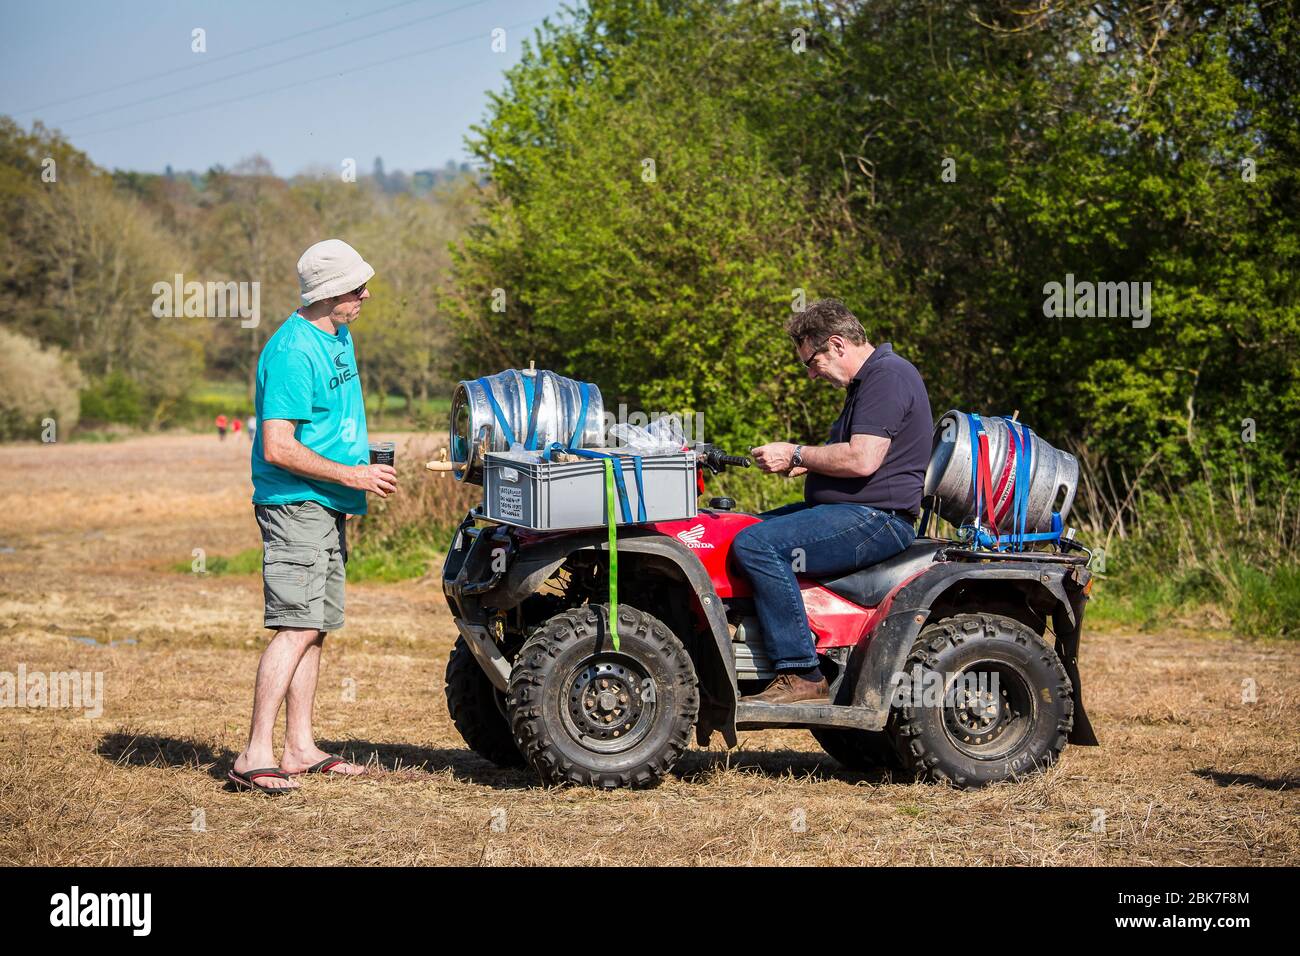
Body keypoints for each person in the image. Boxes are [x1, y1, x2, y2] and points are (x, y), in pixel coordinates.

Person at [229, 239, 397, 795]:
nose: (365, 294)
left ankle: (299, 748)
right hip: (294, 503)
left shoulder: (338, 335)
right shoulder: (292, 352)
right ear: (328, 293)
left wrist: (357, 467)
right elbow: (277, 446)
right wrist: (352, 475)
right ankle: (254, 754)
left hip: (327, 504)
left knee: (315, 628)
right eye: (356, 288)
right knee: (295, 624)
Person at [734, 299, 933, 704]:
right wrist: (809, 466)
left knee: (756, 545)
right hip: (852, 511)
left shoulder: (888, 376)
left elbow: (863, 459)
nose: (811, 374)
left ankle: (801, 672)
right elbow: (859, 454)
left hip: (878, 519)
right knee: (739, 528)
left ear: (838, 345)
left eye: (813, 361)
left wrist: (796, 454)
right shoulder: (868, 382)